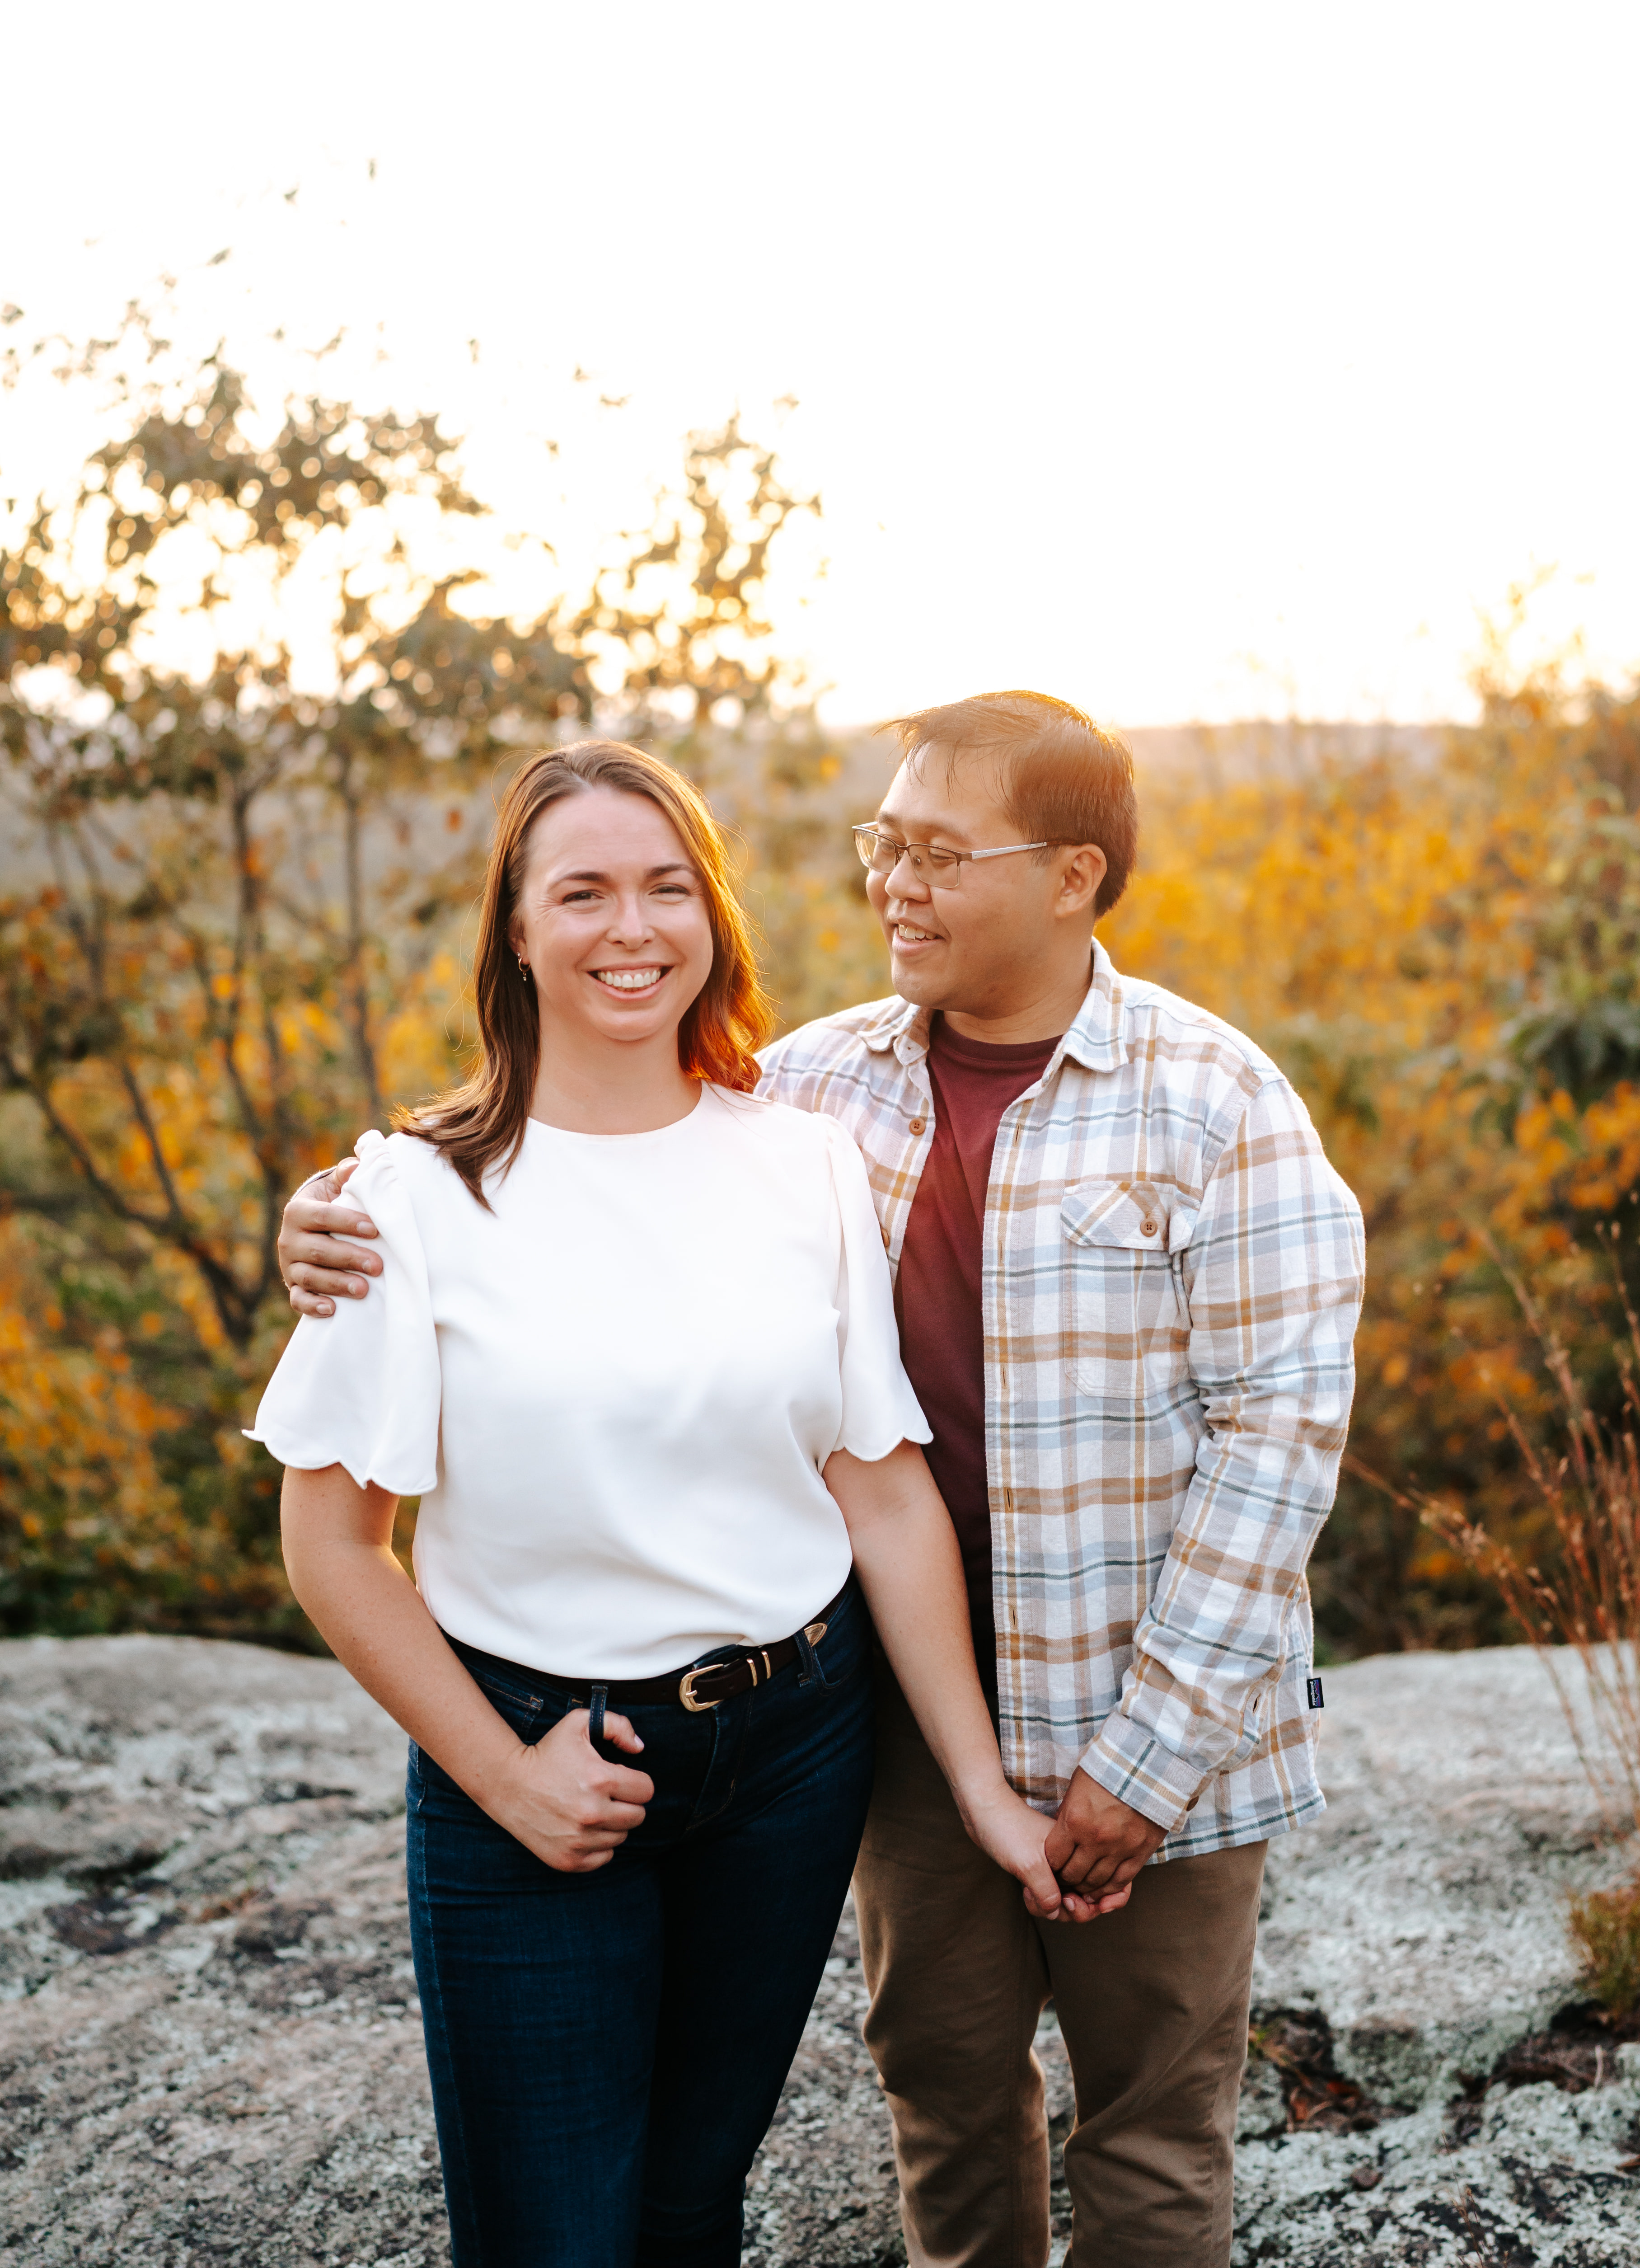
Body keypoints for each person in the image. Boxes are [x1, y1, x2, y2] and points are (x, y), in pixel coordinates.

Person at [281, 691, 1366, 2268]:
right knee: (937, 2078)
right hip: (899, 1705)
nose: (894, 883)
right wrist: (332, 1215)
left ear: (1073, 876)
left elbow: (1278, 1450)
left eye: (938, 851)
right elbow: (585, 1142)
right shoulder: (821, 1090)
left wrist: (1152, 1756)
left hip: (1144, 1695)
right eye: (884, 843)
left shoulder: (1219, 1104)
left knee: (1150, 2117)